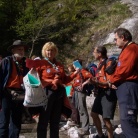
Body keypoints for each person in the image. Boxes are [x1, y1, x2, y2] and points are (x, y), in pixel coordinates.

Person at [26, 42, 79, 138]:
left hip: (58, 94)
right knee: (44, 121)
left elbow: (65, 80)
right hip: (46, 93)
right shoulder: (40, 63)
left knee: (55, 122)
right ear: (44, 52)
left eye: (52, 50)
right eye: (48, 50)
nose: (50, 52)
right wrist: (51, 81)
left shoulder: (59, 64)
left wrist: (75, 73)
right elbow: (34, 79)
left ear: (55, 52)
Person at [109, 28, 138, 138]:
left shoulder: (131, 48)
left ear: (123, 37)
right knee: (127, 120)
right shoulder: (127, 49)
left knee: (128, 119)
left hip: (128, 86)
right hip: (125, 86)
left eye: (116, 39)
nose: (114, 41)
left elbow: (124, 70)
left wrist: (111, 80)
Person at [0, 40, 29, 138]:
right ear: (13, 50)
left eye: (23, 49)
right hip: (7, 93)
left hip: (21, 94)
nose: (22, 51)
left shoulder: (25, 63)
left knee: (16, 122)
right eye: (19, 49)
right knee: (4, 121)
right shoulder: (6, 61)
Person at [90, 46, 117, 138]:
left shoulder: (108, 63)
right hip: (101, 92)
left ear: (99, 53)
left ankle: (110, 136)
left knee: (106, 118)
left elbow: (109, 82)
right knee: (93, 114)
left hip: (108, 92)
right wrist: (94, 80)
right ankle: (101, 135)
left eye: (94, 52)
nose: (93, 54)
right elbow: (100, 78)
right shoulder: (99, 64)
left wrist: (96, 82)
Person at [70, 59, 93, 136]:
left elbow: (91, 77)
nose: (73, 65)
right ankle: (81, 125)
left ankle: (85, 128)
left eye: (74, 64)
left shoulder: (83, 71)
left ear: (77, 64)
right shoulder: (76, 72)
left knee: (82, 109)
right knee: (78, 109)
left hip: (81, 92)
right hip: (75, 92)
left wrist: (83, 84)